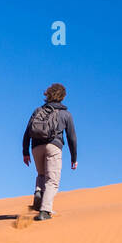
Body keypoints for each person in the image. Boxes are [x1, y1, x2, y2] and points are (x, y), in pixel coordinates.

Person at [22, 84, 78, 220]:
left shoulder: (38, 111)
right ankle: (45, 211)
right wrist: (74, 157)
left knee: (41, 174)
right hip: (53, 147)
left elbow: (27, 132)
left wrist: (25, 152)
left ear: (47, 94)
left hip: (36, 148)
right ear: (63, 96)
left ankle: (39, 192)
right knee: (52, 181)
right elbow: (72, 137)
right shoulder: (66, 114)